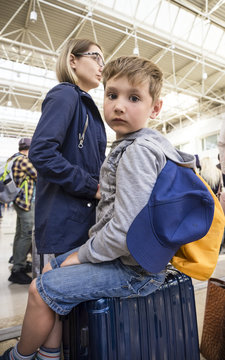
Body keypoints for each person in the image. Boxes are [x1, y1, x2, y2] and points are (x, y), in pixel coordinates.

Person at [0, 55, 196, 360]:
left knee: (41, 288)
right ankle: (49, 353)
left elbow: (126, 232)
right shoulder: (138, 144)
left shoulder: (136, 152)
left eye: (133, 98)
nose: (119, 105)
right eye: (112, 95)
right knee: (51, 269)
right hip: (133, 260)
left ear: (155, 108)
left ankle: (17, 358)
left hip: (134, 269)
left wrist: (81, 255)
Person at [28, 38, 106, 264]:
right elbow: (42, 152)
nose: (102, 66)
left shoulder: (85, 105)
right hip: (63, 226)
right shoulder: (65, 94)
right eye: (96, 57)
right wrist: (92, 187)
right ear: (73, 60)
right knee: (55, 294)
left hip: (81, 222)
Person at [8, 138, 37, 285]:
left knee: (20, 234)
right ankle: (17, 270)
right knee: (26, 234)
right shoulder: (24, 161)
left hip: (19, 202)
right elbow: (39, 175)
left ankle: (19, 262)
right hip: (26, 203)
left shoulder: (13, 158)